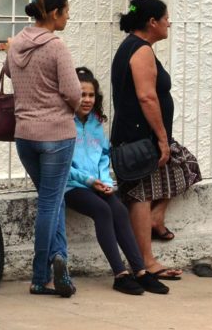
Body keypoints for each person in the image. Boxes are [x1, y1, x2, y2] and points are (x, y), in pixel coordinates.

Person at [6, 0, 82, 299]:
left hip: (24, 135)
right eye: (66, 10)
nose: (68, 16)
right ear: (53, 13)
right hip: (56, 135)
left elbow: (9, 73)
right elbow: (74, 92)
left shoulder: (15, 43)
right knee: (50, 202)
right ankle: (40, 276)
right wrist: (71, 108)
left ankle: (58, 257)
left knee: (54, 197)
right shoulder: (56, 47)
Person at [109, 0, 186, 288]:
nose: (169, 23)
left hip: (137, 136)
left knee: (185, 166)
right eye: (165, 18)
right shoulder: (140, 50)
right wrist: (162, 139)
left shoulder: (135, 47)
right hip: (138, 138)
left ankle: (155, 222)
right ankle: (145, 262)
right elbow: (147, 97)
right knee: (141, 196)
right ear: (152, 22)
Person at [65, 67, 159, 295]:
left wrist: (105, 181)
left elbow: (103, 156)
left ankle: (140, 271)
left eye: (91, 95)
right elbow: (63, 165)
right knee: (103, 211)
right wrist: (89, 181)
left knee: (119, 210)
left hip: (97, 183)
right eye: (82, 94)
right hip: (72, 185)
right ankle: (120, 274)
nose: (87, 100)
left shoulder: (96, 123)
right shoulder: (64, 122)